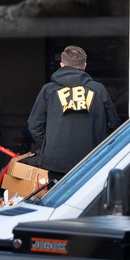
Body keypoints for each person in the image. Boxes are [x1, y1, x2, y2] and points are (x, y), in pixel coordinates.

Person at [27, 45, 120, 178]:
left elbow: (34, 125)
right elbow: (114, 124)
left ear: (62, 64)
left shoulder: (48, 90)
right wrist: (100, 150)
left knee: (58, 199)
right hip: (92, 162)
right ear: (84, 66)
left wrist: (49, 147)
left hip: (55, 163)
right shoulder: (98, 90)